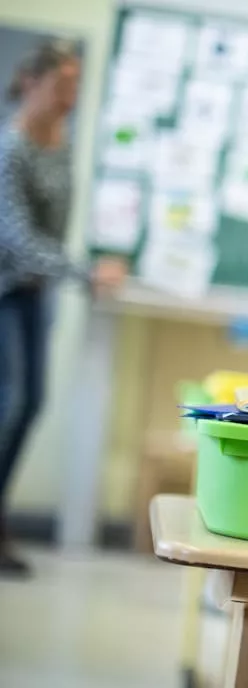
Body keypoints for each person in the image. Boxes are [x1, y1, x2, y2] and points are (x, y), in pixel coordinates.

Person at [0, 39, 127, 577]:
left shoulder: (62, 140)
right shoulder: (11, 148)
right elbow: (18, 238)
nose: (70, 95)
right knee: (13, 405)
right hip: (5, 291)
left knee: (29, 406)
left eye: (76, 85)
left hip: (36, 293)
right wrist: (85, 272)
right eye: (62, 85)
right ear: (32, 82)